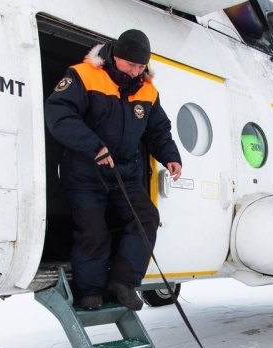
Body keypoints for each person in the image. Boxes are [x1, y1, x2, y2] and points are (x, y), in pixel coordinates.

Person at [45, 29, 182, 311]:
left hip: (125, 174)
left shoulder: (147, 90)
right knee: (93, 231)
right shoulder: (83, 75)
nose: (137, 71)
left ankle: (123, 282)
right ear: (116, 57)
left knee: (146, 218)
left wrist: (170, 156)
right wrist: (94, 146)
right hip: (86, 171)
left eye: (142, 66)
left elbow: (157, 130)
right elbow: (59, 114)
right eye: (132, 65)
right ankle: (90, 291)